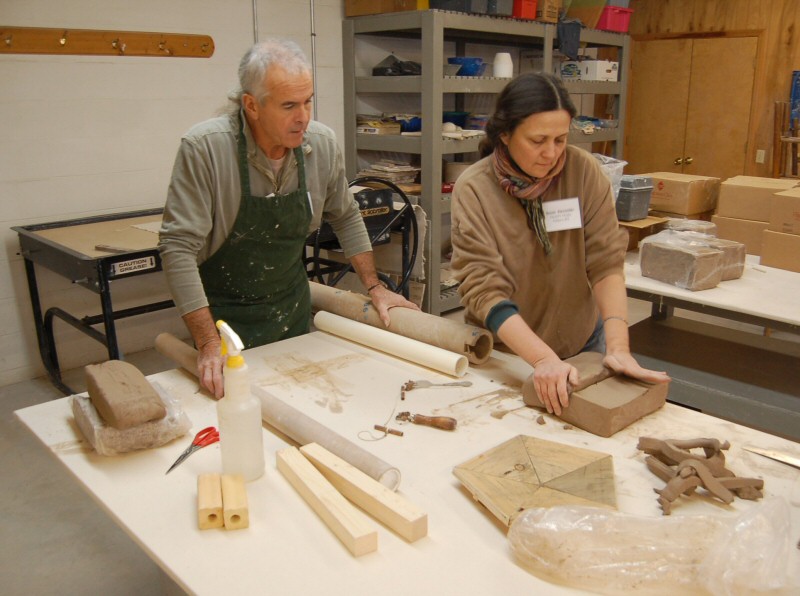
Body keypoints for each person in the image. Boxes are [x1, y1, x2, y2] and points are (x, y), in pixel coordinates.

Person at [159, 39, 417, 398]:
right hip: (224, 319)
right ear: (252, 105)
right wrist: (206, 342)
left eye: (308, 101)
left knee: (299, 400)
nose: (303, 117)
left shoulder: (321, 145)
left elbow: (345, 216)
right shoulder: (205, 149)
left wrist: (375, 287)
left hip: (290, 308)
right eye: (289, 105)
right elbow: (177, 249)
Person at [450, 72, 669, 416]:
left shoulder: (582, 171)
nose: (551, 153)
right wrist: (542, 359)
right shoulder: (475, 188)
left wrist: (619, 346)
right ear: (504, 135)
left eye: (560, 139)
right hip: (509, 351)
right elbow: (484, 289)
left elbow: (606, 262)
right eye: (537, 140)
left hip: (580, 339)